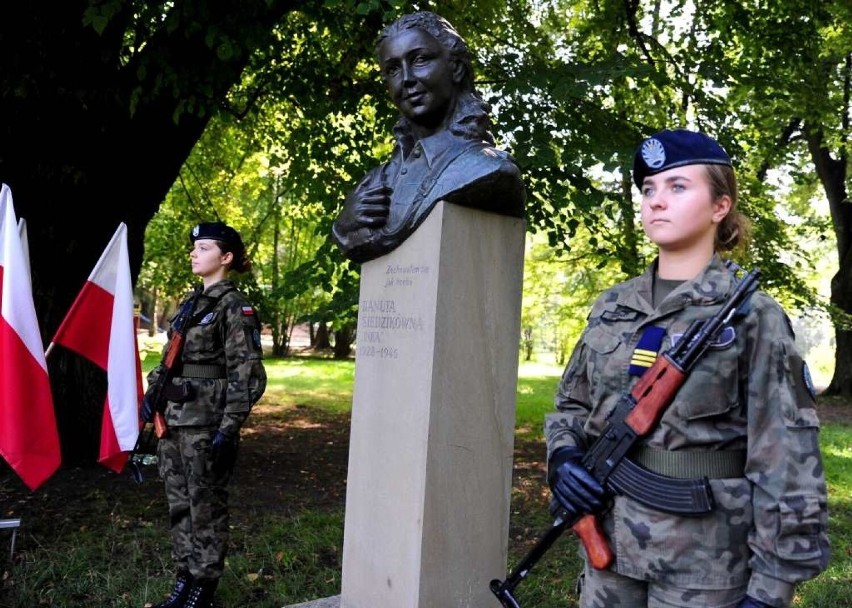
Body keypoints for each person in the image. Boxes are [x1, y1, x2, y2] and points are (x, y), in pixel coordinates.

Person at [545, 129, 829, 608]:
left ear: (720, 206)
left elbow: (787, 453)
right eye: (649, 189)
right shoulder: (613, 305)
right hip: (608, 550)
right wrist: (563, 458)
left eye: (678, 187)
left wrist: (772, 586)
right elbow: (571, 403)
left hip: (705, 562)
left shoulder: (752, 316)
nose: (657, 201)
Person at [331, 10, 525, 263]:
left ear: (455, 68)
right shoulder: (376, 183)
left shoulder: (487, 168)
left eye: (420, 60)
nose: (407, 79)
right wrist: (344, 225)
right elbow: (353, 237)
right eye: (393, 70)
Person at [141, 221, 267, 608]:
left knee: (206, 504)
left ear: (226, 258)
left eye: (205, 248)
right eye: (194, 248)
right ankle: (185, 575)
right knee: (179, 502)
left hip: (205, 423)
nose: (195, 253)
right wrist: (152, 395)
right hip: (173, 419)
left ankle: (204, 583)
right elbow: (171, 358)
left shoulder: (234, 307)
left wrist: (228, 430)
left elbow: (247, 373)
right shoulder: (192, 303)